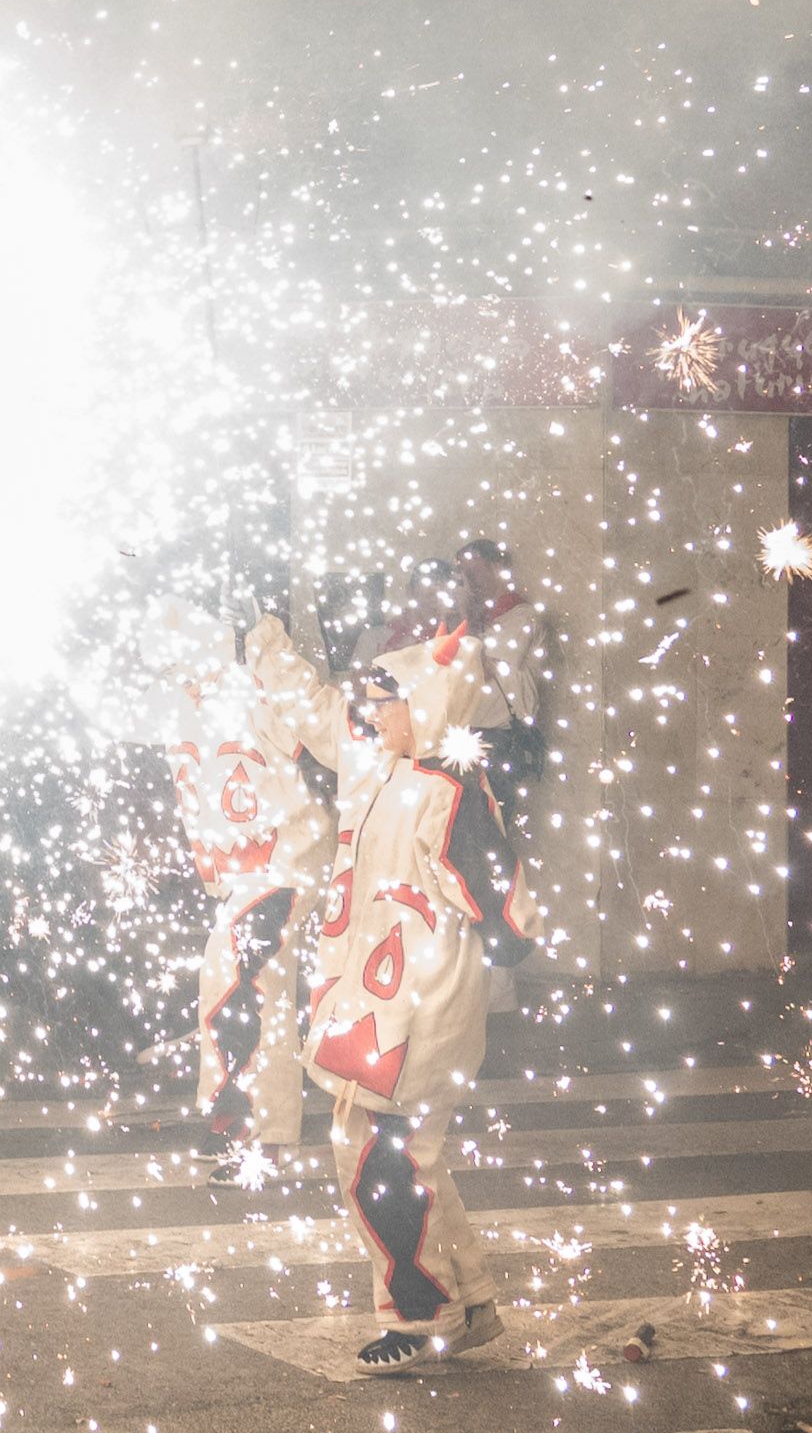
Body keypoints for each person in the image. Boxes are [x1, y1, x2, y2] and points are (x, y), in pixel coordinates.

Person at [300, 663, 536, 1373]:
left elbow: (508, 917)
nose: (370, 714)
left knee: (384, 1155)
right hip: (371, 1001)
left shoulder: (447, 790)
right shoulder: (386, 774)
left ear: (424, 706)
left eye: (384, 702)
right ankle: (464, 1301)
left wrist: (448, 948)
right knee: (402, 1154)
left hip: (418, 1005)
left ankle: (422, 1314)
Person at [168, 589, 341, 1194]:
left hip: (287, 861)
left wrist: (267, 644)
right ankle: (238, 1119)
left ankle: (257, 1136)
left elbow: (325, 735)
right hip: (244, 874)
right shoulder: (172, 701)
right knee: (246, 983)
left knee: (241, 977)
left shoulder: (256, 686)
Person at [450, 540, 553, 846]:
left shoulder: (521, 615)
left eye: (475, 572)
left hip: (501, 736)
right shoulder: (479, 618)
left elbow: (479, 665)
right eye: (464, 575)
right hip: (470, 731)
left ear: (498, 567)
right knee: (466, 828)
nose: (470, 582)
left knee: (492, 829)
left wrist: (463, 621)